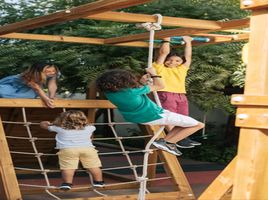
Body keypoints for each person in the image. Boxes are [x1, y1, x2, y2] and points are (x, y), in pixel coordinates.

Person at [96, 68, 204, 156]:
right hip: (154, 115)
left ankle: (169, 141)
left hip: (141, 118)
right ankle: (168, 142)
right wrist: (154, 74)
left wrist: (143, 83)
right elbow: (160, 86)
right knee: (198, 125)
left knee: (181, 124)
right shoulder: (131, 92)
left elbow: (137, 92)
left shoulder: (110, 94)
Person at [153, 36, 202, 148]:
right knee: (170, 117)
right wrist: (167, 39)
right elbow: (163, 53)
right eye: (169, 60)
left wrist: (188, 42)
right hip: (166, 93)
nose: (173, 62)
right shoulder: (159, 68)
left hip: (181, 95)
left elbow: (188, 57)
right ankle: (175, 139)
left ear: (181, 61)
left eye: (177, 60)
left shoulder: (181, 69)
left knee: (182, 118)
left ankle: (181, 137)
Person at [40, 110, 104, 190]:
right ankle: (99, 182)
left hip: (68, 150)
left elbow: (43, 125)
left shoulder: (59, 128)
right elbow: (92, 126)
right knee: (94, 166)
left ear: (62, 120)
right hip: (87, 149)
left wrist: (49, 123)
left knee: (68, 168)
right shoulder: (89, 128)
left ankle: (67, 183)